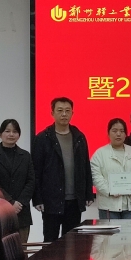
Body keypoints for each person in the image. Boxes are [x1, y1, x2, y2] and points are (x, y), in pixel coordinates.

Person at [32, 97, 93, 242]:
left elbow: (85, 166)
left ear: (72, 113)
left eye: (67, 111)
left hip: (74, 201)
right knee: (50, 241)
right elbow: (35, 171)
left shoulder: (79, 137)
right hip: (51, 200)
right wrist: (37, 198)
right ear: (52, 113)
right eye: (60, 110)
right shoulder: (43, 138)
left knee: (72, 242)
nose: (64, 114)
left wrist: (88, 194)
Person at [0, 119, 35, 242]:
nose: (11, 134)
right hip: (0, 211)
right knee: (0, 249)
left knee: (22, 249)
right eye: (7, 131)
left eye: (15, 131)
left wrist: (20, 203)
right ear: (0, 134)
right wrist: (10, 202)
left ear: (19, 135)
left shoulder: (25, 155)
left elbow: (31, 181)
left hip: (21, 212)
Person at [90, 118, 131, 219]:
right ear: (108, 133)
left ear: (125, 134)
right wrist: (109, 190)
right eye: (114, 131)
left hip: (130, 205)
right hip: (108, 205)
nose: (118, 134)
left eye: (122, 131)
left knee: (130, 230)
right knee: (110, 230)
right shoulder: (99, 154)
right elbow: (96, 177)